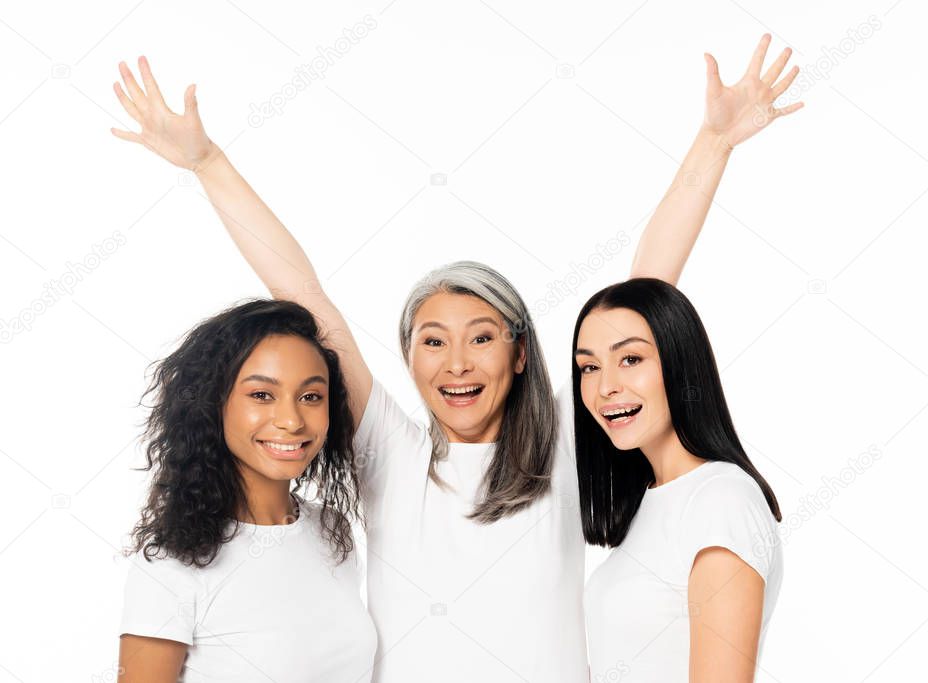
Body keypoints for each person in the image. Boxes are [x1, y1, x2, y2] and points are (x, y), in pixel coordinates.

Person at [109, 33, 801, 682]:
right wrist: (207, 163)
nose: (457, 363)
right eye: (432, 341)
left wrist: (712, 143)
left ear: (521, 354)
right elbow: (303, 294)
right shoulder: (388, 453)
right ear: (407, 359)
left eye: (481, 336)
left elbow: (644, 295)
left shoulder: (562, 447)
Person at [117, 300, 376, 682]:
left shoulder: (331, 531)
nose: (291, 420)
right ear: (213, 405)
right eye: (261, 395)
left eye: (310, 396)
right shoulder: (173, 565)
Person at [574, 279, 783, 682]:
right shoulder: (653, 501)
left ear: (680, 362)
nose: (605, 387)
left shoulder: (721, 500)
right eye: (589, 367)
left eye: (631, 359)